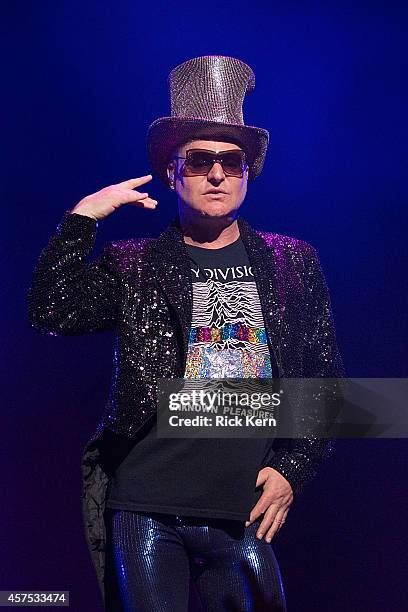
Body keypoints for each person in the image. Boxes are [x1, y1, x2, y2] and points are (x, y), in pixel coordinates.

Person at [28, 56, 345, 611]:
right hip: (147, 505)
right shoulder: (135, 264)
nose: (217, 174)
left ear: (249, 172)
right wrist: (82, 219)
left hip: (241, 510)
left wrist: (293, 470)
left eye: (232, 161)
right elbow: (53, 311)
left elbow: (325, 380)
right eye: (199, 161)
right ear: (173, 172)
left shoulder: (293, 262)